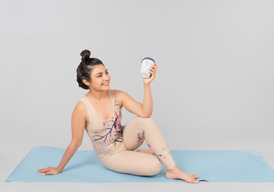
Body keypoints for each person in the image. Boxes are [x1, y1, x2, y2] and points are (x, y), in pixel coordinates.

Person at [38, 50, 199, 184]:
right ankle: (147, 157)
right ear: (86, 81)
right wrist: (59, 168)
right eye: (99, 75)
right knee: (155, 167)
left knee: (145, 120)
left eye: (106, 72)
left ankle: (173, 170)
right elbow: (75, 142)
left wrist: (147, 85)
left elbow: (146, 113)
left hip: (126, 140)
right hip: (111, 156)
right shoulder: (81, 108)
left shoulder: (117, 95)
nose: (106, 78)